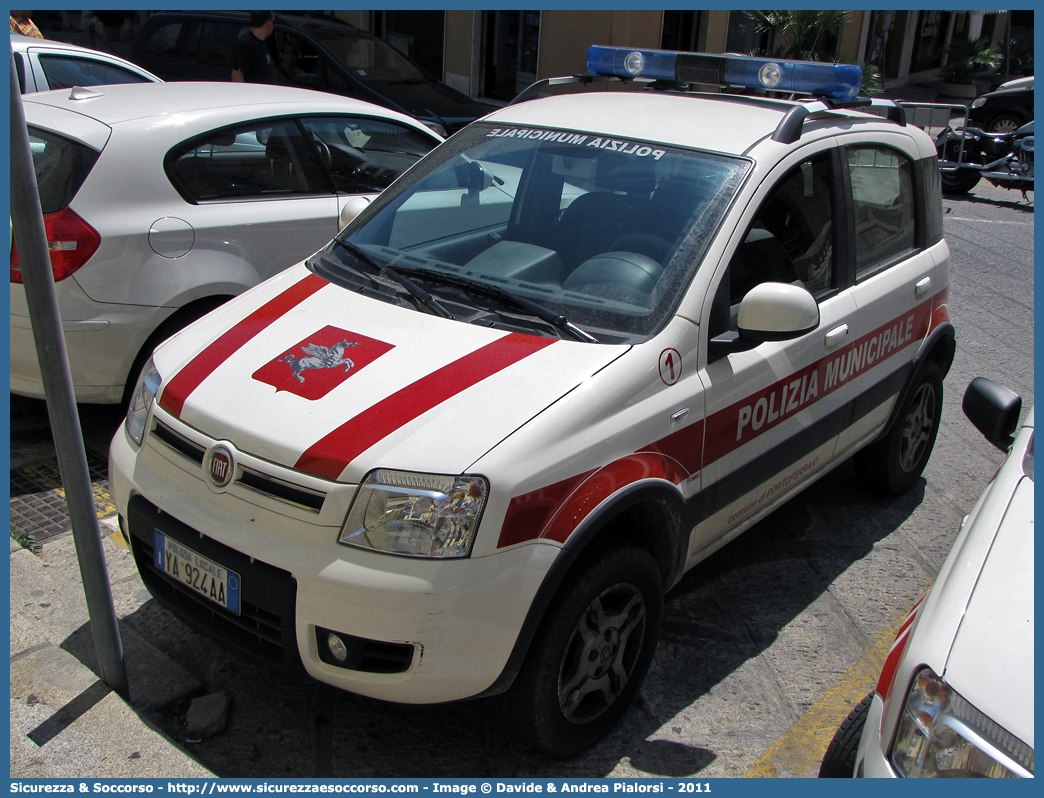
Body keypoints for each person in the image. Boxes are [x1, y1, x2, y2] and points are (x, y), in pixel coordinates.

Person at [231, 10, 276, 83]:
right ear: (267, 23)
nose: (273, 26)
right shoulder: (245, 44)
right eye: (273, 23)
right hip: (253, 93)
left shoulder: (262, 43)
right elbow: (236, 76)